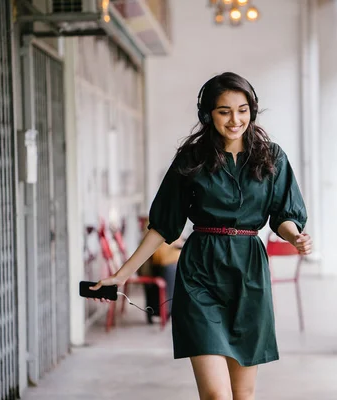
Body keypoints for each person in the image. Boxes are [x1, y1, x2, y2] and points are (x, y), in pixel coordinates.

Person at [90, 72, 312, 400]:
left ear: (252, 110)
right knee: (216, 396)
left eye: (242, 109)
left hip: (248, 275)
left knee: (243, 394)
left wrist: (294, 236)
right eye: (224, 111)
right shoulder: (192, 159)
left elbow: (284, 214)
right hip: (200, 274)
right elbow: (163, 226)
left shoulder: (272, 157)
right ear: (207, 114)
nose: (235, 119)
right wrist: (123, 274)